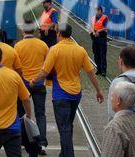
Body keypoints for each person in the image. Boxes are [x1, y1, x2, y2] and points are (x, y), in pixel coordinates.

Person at [31, 24, 104, 157]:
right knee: (68, 126)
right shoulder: (80, 50)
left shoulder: (55, 49)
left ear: (59, 34)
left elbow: (44, 71)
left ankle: (68, 154)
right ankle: (64, 153)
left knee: (64, 128)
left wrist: (33, 81)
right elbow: (91, 72)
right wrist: (98, 90)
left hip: (61, 95)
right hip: (76, 94)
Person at [14, 19, 49, 154]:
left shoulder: (18, 46)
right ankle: (42, 144)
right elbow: (47, 65)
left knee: (22, 114)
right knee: (41, 114)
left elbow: (15, 66)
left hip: (23, 84)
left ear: (23, 30)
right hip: (39, 84)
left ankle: (24, 141)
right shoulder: (43, 45)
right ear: (34, 30)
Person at [90, 6, 109, 76]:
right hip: (94, 37)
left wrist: (98, 31)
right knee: (96, 53)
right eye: (95, 11)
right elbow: (91, 26)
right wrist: (94, 32)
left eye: (97, 11)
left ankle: (104, 71)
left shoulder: (105, 17)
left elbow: (106, 27)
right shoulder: (93, 18)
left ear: (100, 11)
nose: (96, 12)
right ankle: (98, 69)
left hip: (102, 37)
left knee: (102, 54)